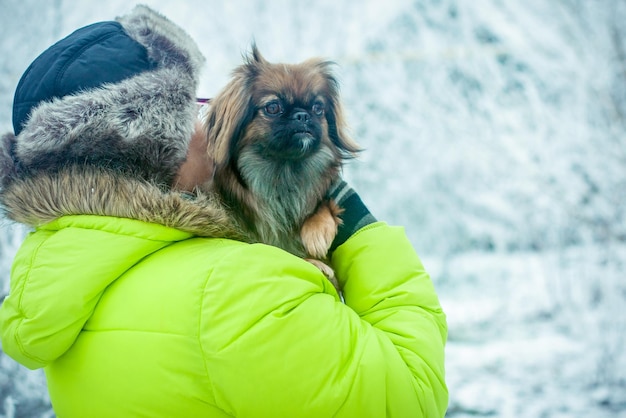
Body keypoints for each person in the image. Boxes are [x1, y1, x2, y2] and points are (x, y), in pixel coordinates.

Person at [0, 5, 448, 418]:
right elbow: (409, 394)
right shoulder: (238, 288)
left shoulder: (65, 283)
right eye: (197, 110)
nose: (208, 123)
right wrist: (359, 229)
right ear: (160, 140)